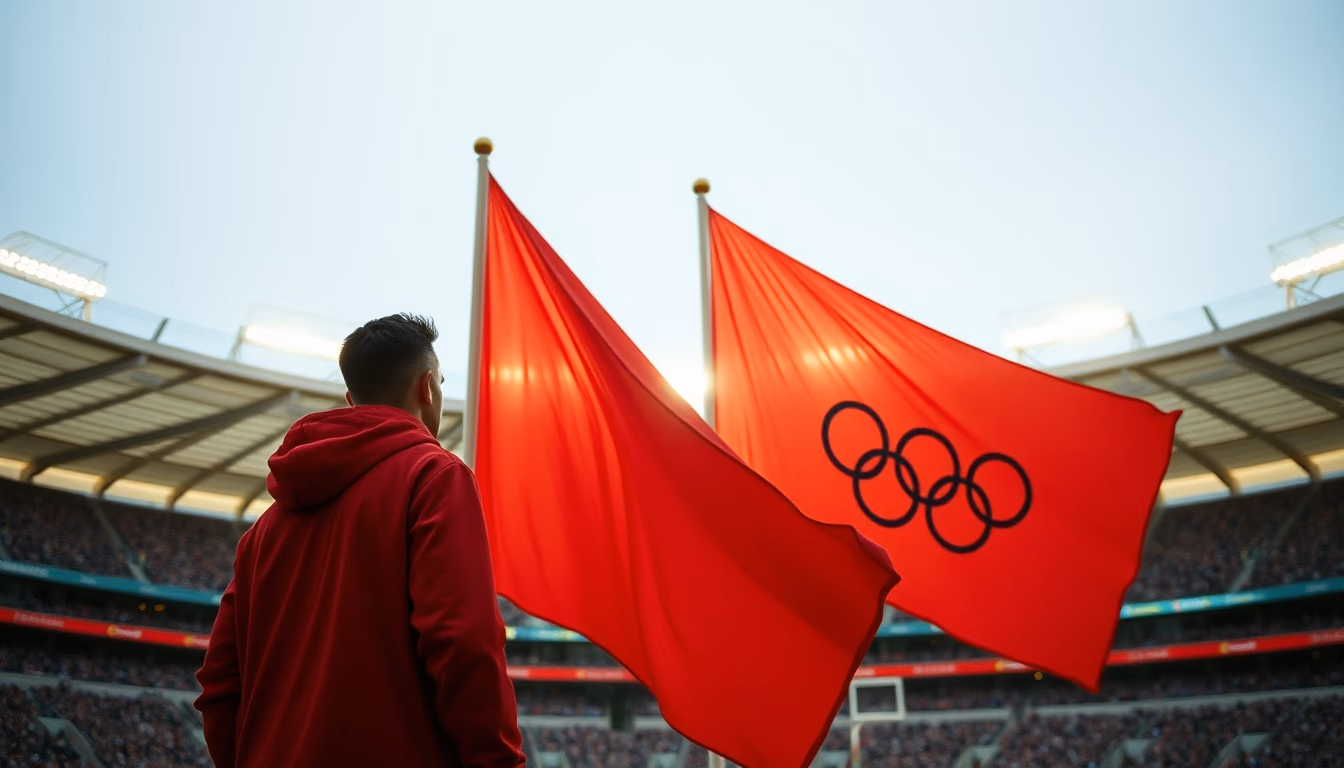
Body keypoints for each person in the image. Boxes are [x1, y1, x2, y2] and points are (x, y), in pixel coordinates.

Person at [196, 313, 525, 768]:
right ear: (428, 387)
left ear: (352, 399)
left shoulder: (261, 533)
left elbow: (218, 685)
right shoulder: (435, 477)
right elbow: (463, 640)